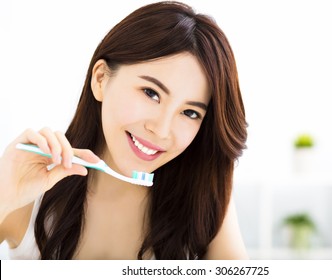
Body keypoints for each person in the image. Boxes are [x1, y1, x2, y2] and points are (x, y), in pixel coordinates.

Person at [0, 1, 248, 260]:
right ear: (101, 79)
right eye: (151, 93)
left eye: (189, 113)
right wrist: (4, 194)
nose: (161, 130)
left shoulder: (203, 198)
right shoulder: (28, 194)